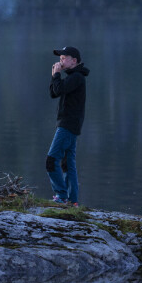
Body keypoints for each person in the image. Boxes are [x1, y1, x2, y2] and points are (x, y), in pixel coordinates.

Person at [46, 46, 90, 207]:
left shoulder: (77, 77)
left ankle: (61, 195)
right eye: (60, 57)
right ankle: (73, 200)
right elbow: (54, 92)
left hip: (67, 125)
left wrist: (57, 74)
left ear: (74, 61)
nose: (61, 60)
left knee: (51, 160)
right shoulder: (73, 77)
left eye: (64, 57)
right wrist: (54, 76)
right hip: (70, 124)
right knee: (67, 163)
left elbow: (59, 89)